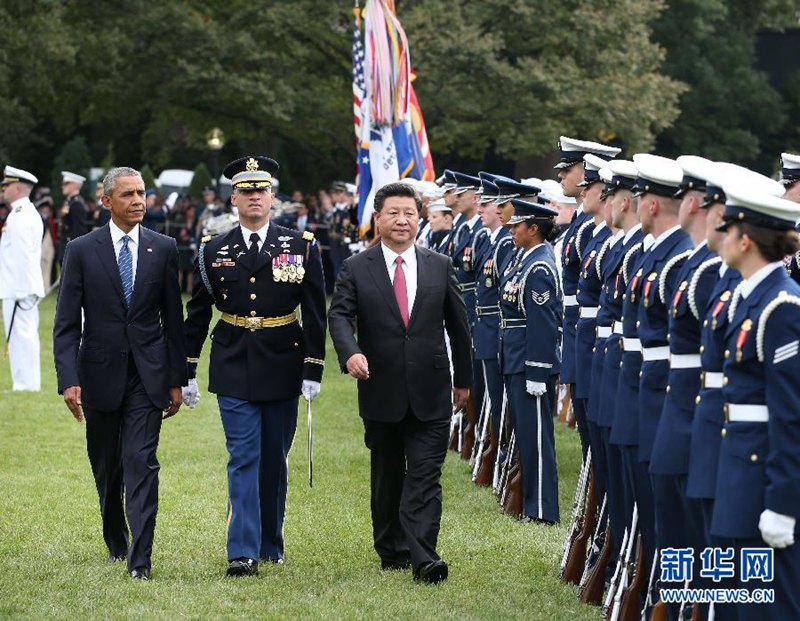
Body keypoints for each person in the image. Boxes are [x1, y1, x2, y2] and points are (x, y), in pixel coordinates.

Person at [182, 156, 327, 577]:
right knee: (243, 455)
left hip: (283, 360)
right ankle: (241, 551)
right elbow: (197, 312)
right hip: (232, 361)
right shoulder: (213, 248)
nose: (254, 198)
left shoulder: (301, 245)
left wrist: (313, 369)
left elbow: (315, 313)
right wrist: (188, 369)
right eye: (246, 191)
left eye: (261, 191)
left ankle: (269, 542)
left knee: (273, 460)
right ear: (234, 199)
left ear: (273, 197)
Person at [328, 181, 471, 583]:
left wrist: (464, 380)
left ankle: (425, 557)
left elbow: (459, 328)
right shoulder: (357, 268)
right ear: (378, 219)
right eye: (393, 213)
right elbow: (339, 316)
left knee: (425, 476)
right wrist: (351, 352)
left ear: (419, 218)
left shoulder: (439, 266)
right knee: (387, 474)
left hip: (431, 391)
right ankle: (390, 547)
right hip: (381, 388)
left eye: (409, 213)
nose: (402, 220)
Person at [53, 166, 186, 580]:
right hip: (99, 374)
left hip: (148, 376)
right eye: (127, 194)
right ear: (106, 201)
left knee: (141, 461)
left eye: (142, 193)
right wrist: (68, 378)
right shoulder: (80, 250)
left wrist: (176, 378)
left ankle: (140, 560)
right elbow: (65, 323)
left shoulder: (163, 248)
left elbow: (173, 318)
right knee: (107, 466)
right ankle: (117, 539)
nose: (138, 201)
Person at [710, 186, 800, 619]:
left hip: (762, 473)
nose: (719, 236)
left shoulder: (781, 306)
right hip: (738, 465)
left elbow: (791, 415)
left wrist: (783, 503)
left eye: (727, 229)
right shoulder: (750, 297)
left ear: (744, 239)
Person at [498, 198, 562, 523]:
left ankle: (542, 511)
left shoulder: (538, 267)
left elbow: (543, 323)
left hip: (529, 362)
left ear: (533, 229)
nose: (511, 229)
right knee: (525, 434)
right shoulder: (524, 260)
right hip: (515, 357)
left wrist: (538, 370)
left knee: (537, 438)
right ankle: (530, 504)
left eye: (517, 225)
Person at [0, 165, 45, 391]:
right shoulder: (20, 212)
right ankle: (22, 383)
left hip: (19, 287)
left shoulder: (21, 215)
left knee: (23, 337)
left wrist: (20, 290)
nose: (3, 189)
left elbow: (23, 255)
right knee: (18, 337)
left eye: (6, 185)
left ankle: (26, 384)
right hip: (17, 286)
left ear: (17, 187)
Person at [58, 170, 89, 264]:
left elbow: (79, 231)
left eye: (66, 183)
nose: (62, 186)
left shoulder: (77, 204)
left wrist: (76, 252)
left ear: (75, 185)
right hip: (66, 245)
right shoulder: (70, 202)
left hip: (71, 247)